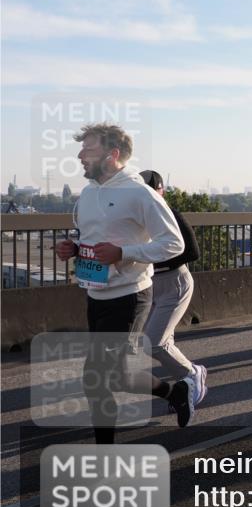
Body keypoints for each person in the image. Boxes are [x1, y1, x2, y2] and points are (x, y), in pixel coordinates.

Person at [55, 123, 190, 443]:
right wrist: (73, 249)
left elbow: (174, 244)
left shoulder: (138, 193)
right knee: (117, 375)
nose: (80, 155)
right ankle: (173, 392)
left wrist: (124, 253)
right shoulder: (88, 194)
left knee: (96, 377)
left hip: (130, 294)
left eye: (88, 149)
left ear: (112, 154)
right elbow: (93, 240)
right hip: (96, 292)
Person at [138, 170, 207, 405]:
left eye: (150, 190)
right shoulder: (138, 220)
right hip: (149, 285)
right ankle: (184, 387)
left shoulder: (171, 216)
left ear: (160, 191)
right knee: (161, 341)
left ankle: (190, 376)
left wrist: (157, 257)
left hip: (174, 283)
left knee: (153, 343)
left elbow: (192, 252)